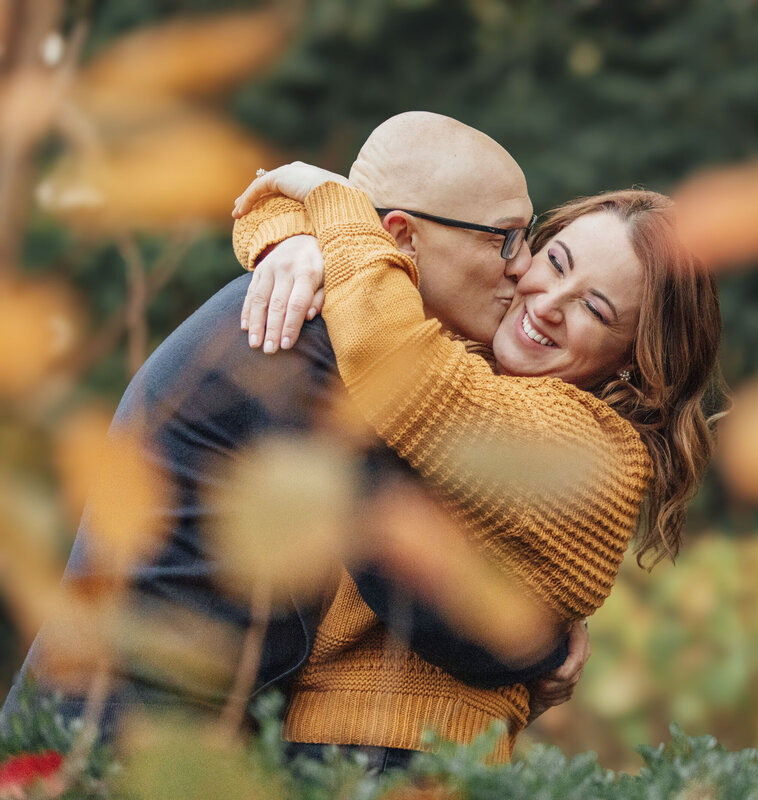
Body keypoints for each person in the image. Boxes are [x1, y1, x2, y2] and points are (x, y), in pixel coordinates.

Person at [0, 113, 586, 758]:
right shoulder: (310, 341)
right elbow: (415, 594)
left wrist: (303, 231)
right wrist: (548, 646)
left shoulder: (330, 316)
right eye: (504, 238)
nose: (523, 266)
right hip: (104, 741)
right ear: (401, 238)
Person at [228, 148, 725, 763]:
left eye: (595, 309)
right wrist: (296, 249)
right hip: (297, 733)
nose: (547, 304)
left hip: (409, 755)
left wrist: (330, 205)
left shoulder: (599, 449)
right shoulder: (470, 353)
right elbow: (265, 205)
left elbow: (396, 360)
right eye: (556, 262)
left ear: (635, 360)